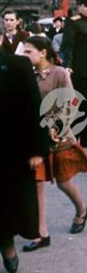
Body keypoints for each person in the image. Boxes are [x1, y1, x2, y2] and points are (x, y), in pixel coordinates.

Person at [20, 36, 87, 253]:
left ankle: (82, 210)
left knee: (64, 182)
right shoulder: (27, 75)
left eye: (28, 52)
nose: (24, 56)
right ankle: (42, 233)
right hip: (35, 139)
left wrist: (57, 126)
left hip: (58, 137)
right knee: (37, 184)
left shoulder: (59, 73)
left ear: (43, 53)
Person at [0, 52, 49, 273]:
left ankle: (7, 247)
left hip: (12, 148)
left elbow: (34, 105)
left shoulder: (17, 64)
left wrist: (38, 150)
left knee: (8, 204)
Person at [60, 0, 87, 148]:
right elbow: (67, 46)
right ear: (78, 7)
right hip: (79, 70)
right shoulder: (73, 23)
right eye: (85, 6)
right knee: (79, 104)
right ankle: (75, 136)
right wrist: (67, 65)